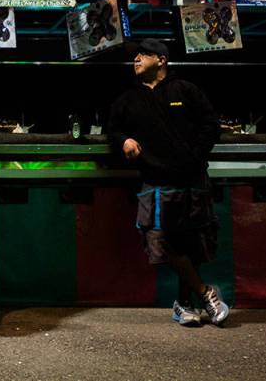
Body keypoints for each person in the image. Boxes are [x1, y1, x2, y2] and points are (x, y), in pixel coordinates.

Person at [107, 39, 228, 328]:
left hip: (192, 178)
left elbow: (211, 125)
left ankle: (184, 305)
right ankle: (205, 293)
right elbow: (112, 129)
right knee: (162, 240)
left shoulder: (185, 90)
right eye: (135, 55)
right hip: (155, 180)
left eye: (143, 54)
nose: (136, 59)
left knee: (192, 241)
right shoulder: (127, 98)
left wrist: (193, 156)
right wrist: (123, 140)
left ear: (161, 60)